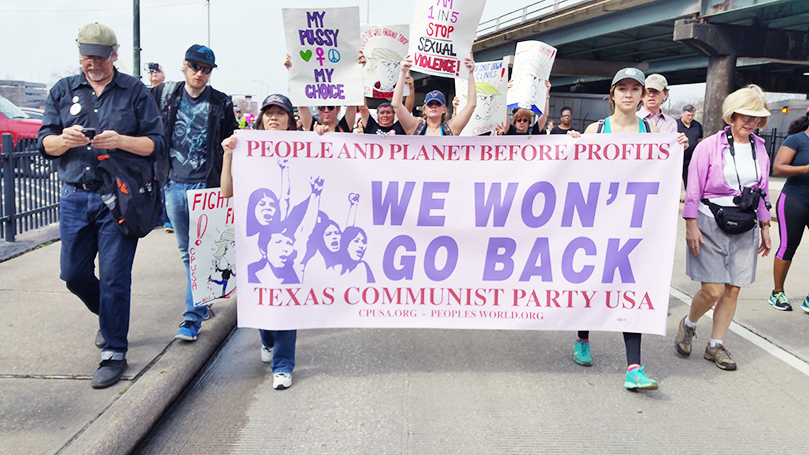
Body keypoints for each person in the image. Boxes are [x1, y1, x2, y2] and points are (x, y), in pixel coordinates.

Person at [37, 22, 164, 389]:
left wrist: (122, 140)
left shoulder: (135, 91)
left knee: (114, 277)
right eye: (86, 56)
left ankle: (114, 352)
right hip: (75, 195)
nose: (92, 63)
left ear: (115, 55)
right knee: (73, 275)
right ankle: (106, 314)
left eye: (99, 56)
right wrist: (64, 139)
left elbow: (155, 144)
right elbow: (45, 144)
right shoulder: (63, 90)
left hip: (119, 198)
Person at [676, 84, 772, 371]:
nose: (750, 123)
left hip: (745, 223)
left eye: (756, 118)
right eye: (745, 116)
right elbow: (693, 190)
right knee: (714, 290)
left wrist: (765, 225)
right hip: (710, 220)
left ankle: (715, 345)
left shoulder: (760, 149)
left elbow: (762, 189)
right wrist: (691, 224)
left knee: (733, 290)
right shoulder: (708, 147)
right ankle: (690, 324)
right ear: (732, 115)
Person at [577, 68, 661, 391]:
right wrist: (572, 145)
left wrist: (676, 145)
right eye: (621, 88)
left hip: (634, 224)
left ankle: (634, 367)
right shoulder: (596, 130)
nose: (628, 94)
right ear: (612, 95)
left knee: (630, 286)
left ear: (642, 95)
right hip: (597, 219)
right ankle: (583, 337)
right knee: (592, 280)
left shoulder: (650, 130)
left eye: (635, 89)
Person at [153, 44, 239, 342]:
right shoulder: (165, 95)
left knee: (199, 253)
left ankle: (192, 317)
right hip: (173, 183)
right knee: (185, 252)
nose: (200, 73)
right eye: (195, 67)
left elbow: (232, 137)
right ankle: (202, 299)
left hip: (206, 186)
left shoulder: (220, 102)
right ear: (184, 66)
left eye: (206, 69)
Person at [221, 93, 301, 390]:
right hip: (254, 243)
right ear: (261, 118)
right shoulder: (245, 149)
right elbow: (227, 192)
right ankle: (267, 339)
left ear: (290, 121)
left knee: (287, 304)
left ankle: (283, 365)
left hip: (288, 242)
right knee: (262, 303)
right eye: (269, 112)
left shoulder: (305, 148)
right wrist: (228, 154)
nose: (274, 117)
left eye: (281, 113)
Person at [768, 107, 809, 312]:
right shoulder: (796, 140)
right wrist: (806, 168)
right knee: (788, 245)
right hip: (794, 199)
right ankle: (777, 292)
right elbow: (779, 168)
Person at [391, 53, 477, 136]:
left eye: (437, 103)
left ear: (443, 109)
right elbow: (396, 105)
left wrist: (470, 73)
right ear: (424, 109)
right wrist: (402, 72)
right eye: (430, 104)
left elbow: (471, 105)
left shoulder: (450, 129)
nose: (433, 106)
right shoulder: (415, 128)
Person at [677, 104, 704, 186]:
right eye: (688, 115)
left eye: (692, 115)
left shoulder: (697, 125)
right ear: (682, 113)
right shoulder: (675, 124)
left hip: (692, 159)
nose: (690, 118)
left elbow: (700, 140)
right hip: (678, 159)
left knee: (690, 183)